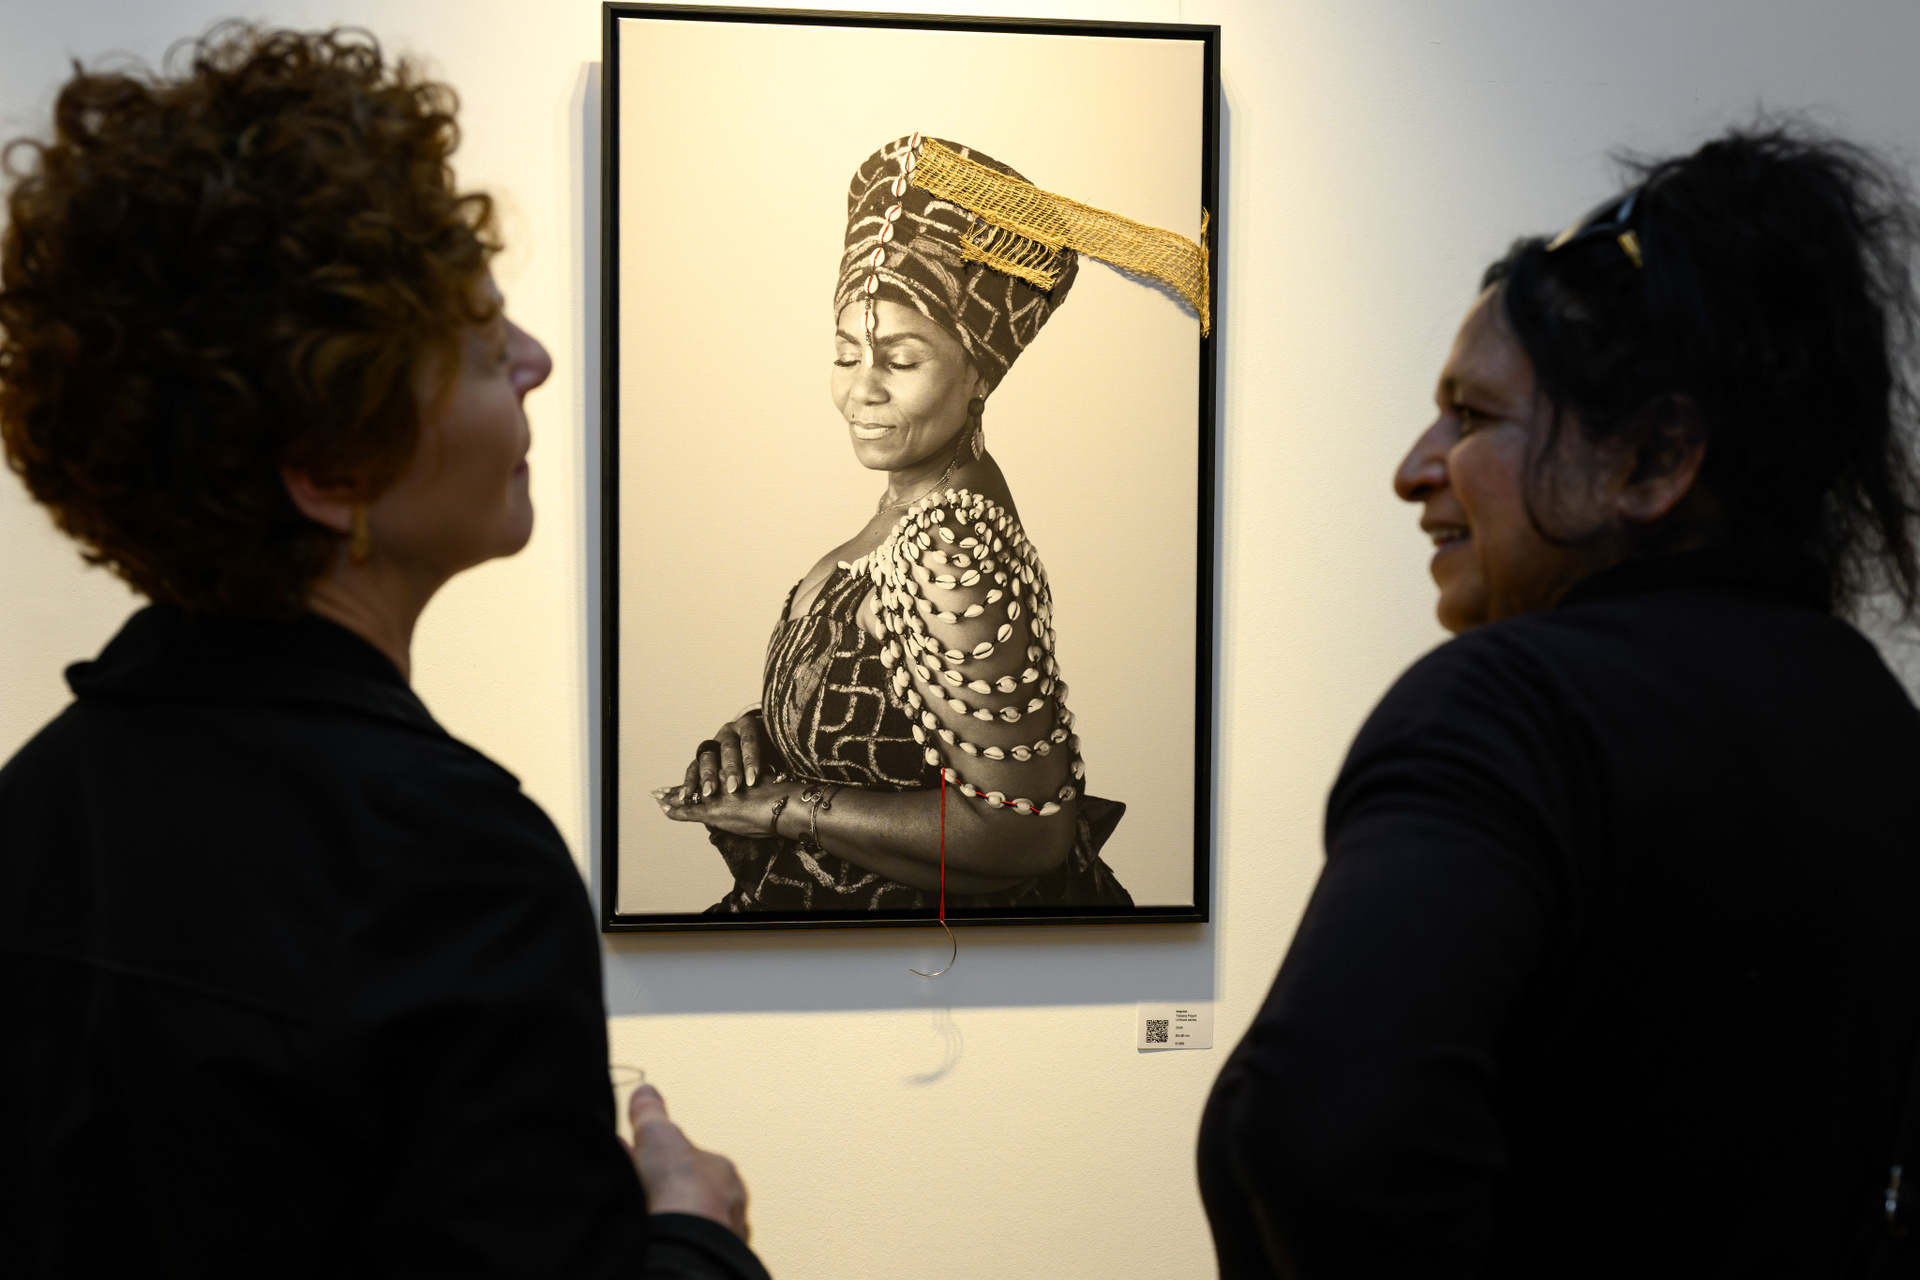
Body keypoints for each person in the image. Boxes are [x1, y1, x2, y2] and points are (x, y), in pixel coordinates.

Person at [0, 26, 767, 1278]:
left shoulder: (35, 812)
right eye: (483, 343)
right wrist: (695, 1230)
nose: (537, 361)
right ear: (333, 467)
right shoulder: (444, 866)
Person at [1199, 126, 1920, 1278]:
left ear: (1653, 459)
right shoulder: (1875, 722)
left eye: (1472, 417)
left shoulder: (1507, 707)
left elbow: (1323, 1130)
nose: (1414, 467)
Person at [654, 134, 1140, 913]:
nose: (862, 391)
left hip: (938, 967)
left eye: (901, 361)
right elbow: (893, 726)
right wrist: (762, 738)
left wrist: (787, 807)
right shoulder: (909, 511)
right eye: (846, 355)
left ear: (979, 373)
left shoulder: (950, 546)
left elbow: (1025, 834)